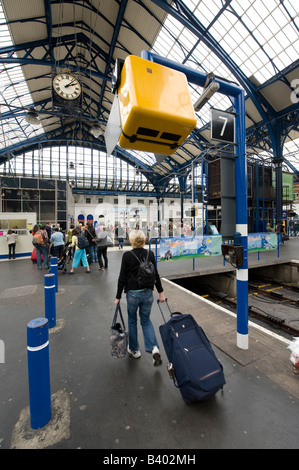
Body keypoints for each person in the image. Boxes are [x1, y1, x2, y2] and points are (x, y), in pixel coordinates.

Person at [114, 229, 165, 366]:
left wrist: (118, 296)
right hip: (148, 293)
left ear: (131, 241)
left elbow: (122, 278)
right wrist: (161, 292)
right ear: (143, 240)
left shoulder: (127, 255)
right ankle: (154, 348)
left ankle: (135, 350)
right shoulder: (150, 253)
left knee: (132, 321)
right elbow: (156, 275)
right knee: (146, 321)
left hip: (133, 294)